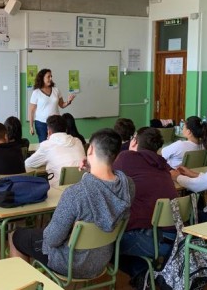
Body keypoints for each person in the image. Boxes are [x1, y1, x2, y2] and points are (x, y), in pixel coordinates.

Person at [10, 128, 134, 279]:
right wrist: (90, 170)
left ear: (91, 149)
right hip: (102, 260)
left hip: (69, 263)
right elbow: (103, 188)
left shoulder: (75, 194)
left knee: (15, 236)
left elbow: (51, 239)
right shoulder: (128, 186)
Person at [113, 127, 177, 283]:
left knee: (104, 244)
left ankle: (144, 276)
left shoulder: (126, 158)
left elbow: (104, 178)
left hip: (151, 240)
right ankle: (146, 276)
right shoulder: (162, 164)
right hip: (174, 239)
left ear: (134, 141)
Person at [24, 115, 85, 186]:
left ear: (49, 131)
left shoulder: (47, 145)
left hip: (59, 190)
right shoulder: (78, 141)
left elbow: (28, 163)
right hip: (82, 187)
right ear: (66, 129)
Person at [28, 69, 75, 143]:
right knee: (44, 144)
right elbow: (31, 111)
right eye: (48, 77)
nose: (51, 78)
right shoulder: (36, 92)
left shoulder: (56, 90)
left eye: (51, 76)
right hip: (41, 124)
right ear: (42, 78)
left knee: (56, 144)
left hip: (56, 123)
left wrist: (69, 102)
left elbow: (62, 105)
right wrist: (31, 126)